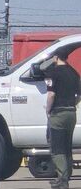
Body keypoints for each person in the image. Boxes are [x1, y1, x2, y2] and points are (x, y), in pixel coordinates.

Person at [43, 50, 81, 189]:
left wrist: (48, 109)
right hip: (71, 112)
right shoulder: (73, 72)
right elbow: (79, 95)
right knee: (66, 146)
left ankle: (62, 179)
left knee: (57, 148)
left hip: (58, 113)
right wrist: (72, 103)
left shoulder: (53, 72)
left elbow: (51, 94)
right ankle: (67, 175)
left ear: (56, 57)